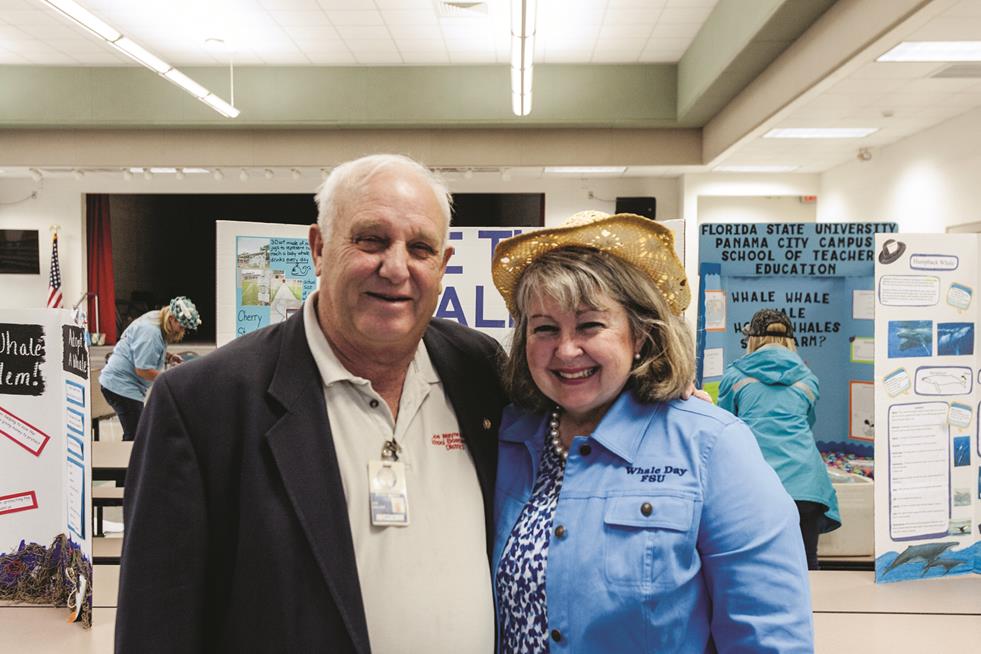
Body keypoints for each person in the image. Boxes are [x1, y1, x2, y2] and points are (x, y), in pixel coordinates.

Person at [115, 155, 506, 653]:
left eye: (420, 248)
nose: (395, 268)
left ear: (443, 265)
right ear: (319, 249)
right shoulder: (202, 405)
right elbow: (156, 624)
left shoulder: (479, 373)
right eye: (371, 239)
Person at [490, 211, 813, 653]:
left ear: (640, 333)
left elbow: (769, 634)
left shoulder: (711, 446)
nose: (565, 349)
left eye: (590, 325)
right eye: (545, 328)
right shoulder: (503, 437)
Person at [719, 308, 841, 570]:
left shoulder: (735, 377)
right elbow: (807, 422)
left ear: (752, 340)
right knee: (806, 564)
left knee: (757, 566)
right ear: (790, 341)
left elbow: (724, 429)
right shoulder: (808, 379)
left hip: (757, 483)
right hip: (806, 484)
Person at [98, 296, 200, 441]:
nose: (182, 331)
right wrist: (169, 378)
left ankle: (132, 454)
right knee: (137, 436)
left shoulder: (157, 317)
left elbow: (143, 349)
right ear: (171, 318)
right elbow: (142, 370)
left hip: (122, 384)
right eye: (182, 326)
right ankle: (129, 456)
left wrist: (168, 357)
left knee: (139, 433)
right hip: (121, 386)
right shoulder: (151, 332)